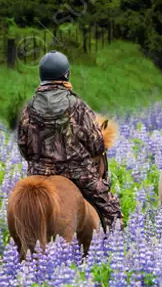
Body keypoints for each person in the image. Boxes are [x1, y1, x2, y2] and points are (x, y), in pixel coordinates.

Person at [17, 51, 122, 231]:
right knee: (111, 208)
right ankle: (114, 244)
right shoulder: (78, 105)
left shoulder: (28, 107)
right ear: (66, 75)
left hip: (37, 173)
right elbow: (96, 144)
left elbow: (23, 147)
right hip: (78, 173)